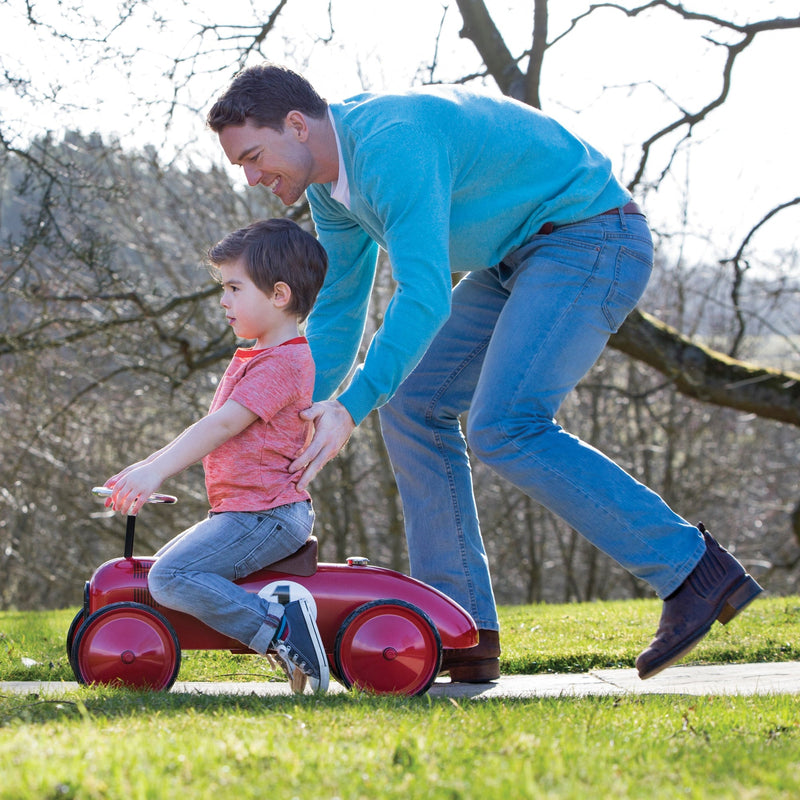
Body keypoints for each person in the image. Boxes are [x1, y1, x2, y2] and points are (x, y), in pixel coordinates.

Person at [206, 63, 763, 682]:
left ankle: (692, 568)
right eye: (242, 167)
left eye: (255, 157)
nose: (253, 178)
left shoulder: (391, 143)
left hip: (589, 236)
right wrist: (277, 408)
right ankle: (458, 626)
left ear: (296, 125)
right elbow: (336, 310)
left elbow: (422, 295)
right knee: (413, 402)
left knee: (506, 425)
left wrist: (349, 405)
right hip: (511, 257)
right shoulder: (330, 191)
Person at [104, 217, 330, 693]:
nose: (223, 300)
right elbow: (215, 427)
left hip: (266, 514)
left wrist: (156, 472)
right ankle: (282, 633)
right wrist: (147, 468)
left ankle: (281, 629)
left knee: (171, 577)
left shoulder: (284, 362)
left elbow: (222, 425)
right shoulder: (260, 355)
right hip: (250, 511)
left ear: (279, 295)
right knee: (162, 570)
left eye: (233, 287)